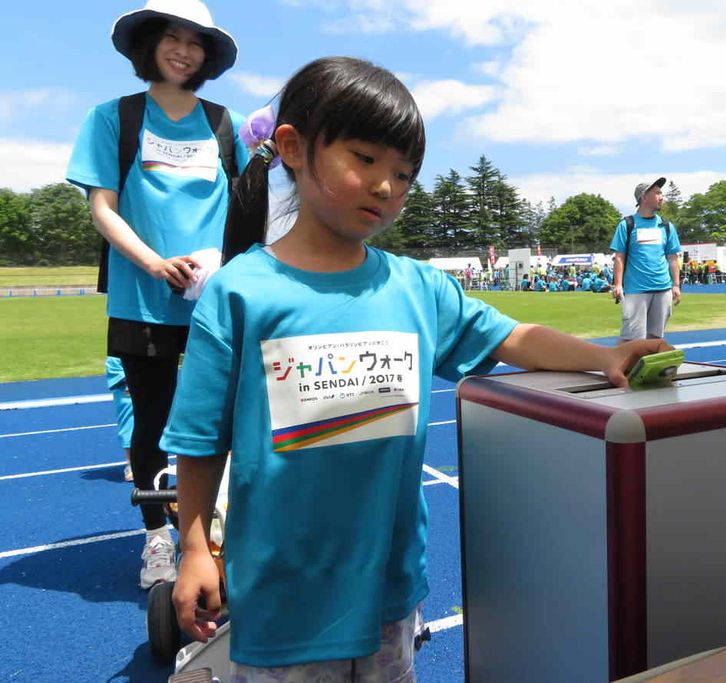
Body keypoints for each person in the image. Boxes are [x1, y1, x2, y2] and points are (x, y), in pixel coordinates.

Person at [160, 57, 671, 680]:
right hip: (282, 592)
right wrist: (193, 548)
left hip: (389, 591)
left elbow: (511, 336)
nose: (386, 187)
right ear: (292, 148)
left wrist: (605, 356)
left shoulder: (416, 288)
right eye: (365, 159)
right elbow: (198, 437)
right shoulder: (241, 292)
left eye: (403, 174)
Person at [65, 0, 246, 590]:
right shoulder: (112, 117)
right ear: (148, 45)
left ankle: (224, 528)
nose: (184, 50)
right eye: (171, 37)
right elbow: (102, 209)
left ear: (208, 56)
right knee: (151, 419)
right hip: (142, 297)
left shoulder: (227, 124)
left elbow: (253, 206)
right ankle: (156, 538)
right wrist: (154, 263)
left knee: (233, 416)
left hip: (220, 299)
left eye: (196, 42)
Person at [610, 178, 682, 341]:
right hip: (636, 291)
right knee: (632, 338)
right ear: (644, 197)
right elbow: (619, 257)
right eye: (657, 193)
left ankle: (649, 366)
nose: (661, 197)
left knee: (655, 337)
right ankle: (621, 366)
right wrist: (618, 284)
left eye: (661, 193)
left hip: (663, 289)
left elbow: (672, 258)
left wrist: (676, 285)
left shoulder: (666, 226)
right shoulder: (627, 224)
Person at [105, 356, 135, 481]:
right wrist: (129, 381)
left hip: (146, 383)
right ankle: (131, 465)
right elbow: (113, 363)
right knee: (129, 425)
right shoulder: (116, 354)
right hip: (126, 389)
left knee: (153, 425)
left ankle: (150, 461)